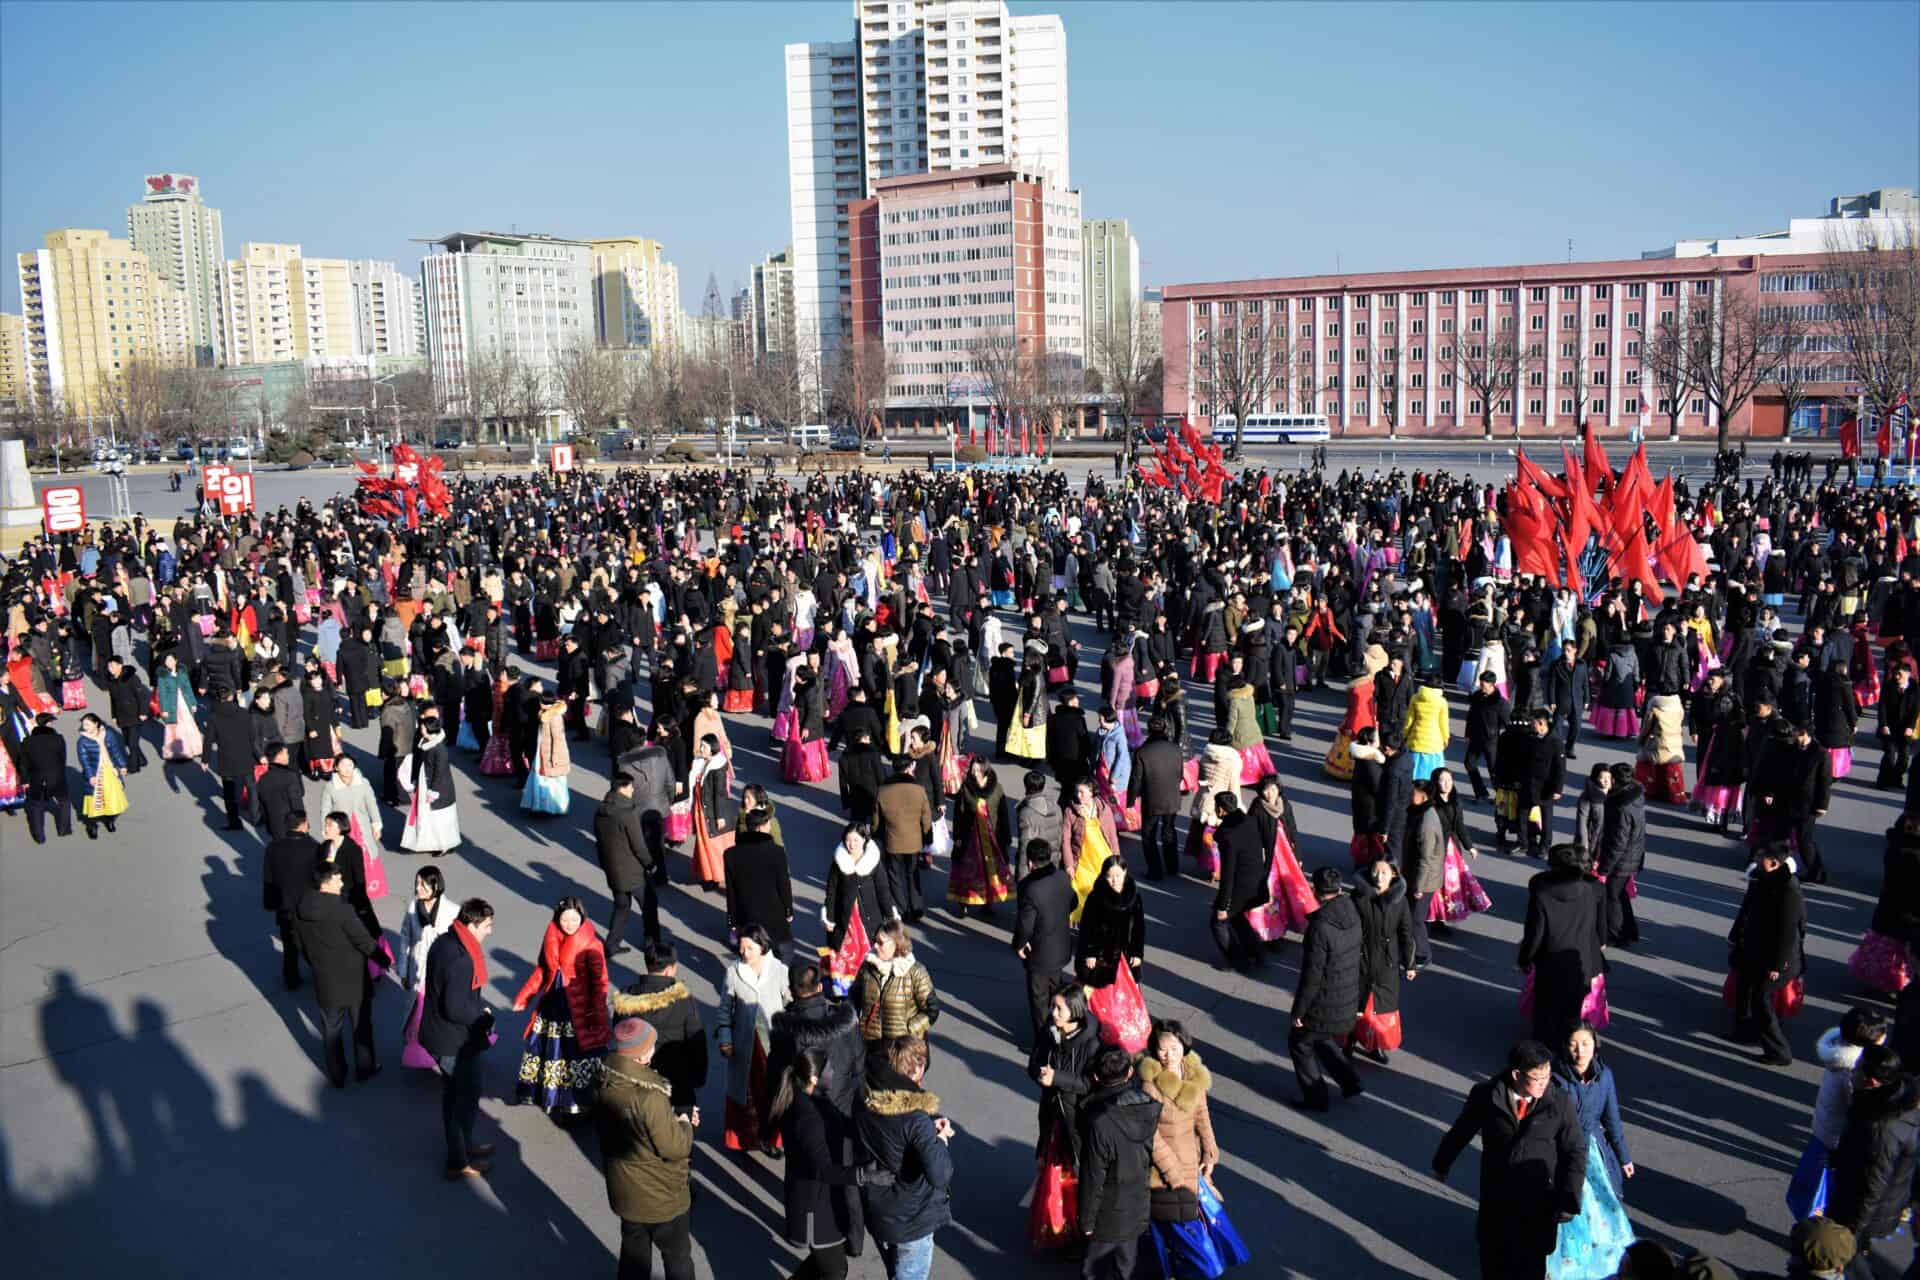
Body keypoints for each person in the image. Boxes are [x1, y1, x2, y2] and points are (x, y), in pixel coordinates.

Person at [1431, 1039, 1588, 1280]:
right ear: (1517, 1074)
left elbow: (1575, 1150)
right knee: (1494, 1264)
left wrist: (1569, 1198)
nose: (1545, 1083)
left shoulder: (1559, 1103)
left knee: (1530, 1267)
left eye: (1547, 1075)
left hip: (1539, 1202)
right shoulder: (1486, 1095)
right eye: (1538, 1077)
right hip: (1498, 1198)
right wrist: (1442, 1164)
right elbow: (1462, 1130)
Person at [1137, 1020, 1246, 1279]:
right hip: (1165, 1174)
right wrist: (1172, 1171)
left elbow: (1202, 1116)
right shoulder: (1150, 1085)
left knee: (1183, 1229)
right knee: (1184, 1231)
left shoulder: (1193, 1076)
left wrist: (1211, 1151)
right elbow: (1150, 1135)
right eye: (1162, 1049)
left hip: (1190, 1164)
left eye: (1174, 1048)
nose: (1168, 1055)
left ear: (1183, 1047)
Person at [594, 1015, 698, 1280]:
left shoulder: (604, 1080)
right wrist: (684, 1123)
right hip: (660, 1196)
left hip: (625, 1191)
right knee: (677, 1258)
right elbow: (674, 1148)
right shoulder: (649, 1096)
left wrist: (668, 1118)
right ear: (642, 1057)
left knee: (634, 1256)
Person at [769, 1044, 882, 1280]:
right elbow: (824, 1170)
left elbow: (842, 1125)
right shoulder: (807, 1117)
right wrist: (863, 1175)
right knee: (835, 1270)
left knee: (826, 1263)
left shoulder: (814, 1099)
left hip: (823, 1203)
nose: (833, 1072)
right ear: (813, 1078)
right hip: (814, 1209)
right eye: (829, 1068)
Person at [856, 1035, 954, 1280]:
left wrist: (926, 1134)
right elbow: (939, 1174)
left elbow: (894, 1139)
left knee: (895, 1271)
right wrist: (939, 1139)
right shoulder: (915, 1118)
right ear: (916, 1070)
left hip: (877, 1206)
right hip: (911, 1217)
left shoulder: (868, 1098)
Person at [1546, 1021, 1634, 1280]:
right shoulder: (1554, 1078)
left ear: (1595, 1044)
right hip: (1563, 1152)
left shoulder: (1604, 1076)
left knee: (1603, 1210)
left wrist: (1624, 1156)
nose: (1580, 1050)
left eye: (1585, 1043)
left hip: (1594, 1153)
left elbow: (1612, 1120)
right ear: (1565, 1046)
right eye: (1574, 1044)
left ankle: (1606, 1267)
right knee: (1570, 1215)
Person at [1823, 1043, 1919, 1279]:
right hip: (1878, 1202)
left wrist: (1850, 1232)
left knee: (1850, 1255)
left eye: (1857, 1070)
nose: (1852, 1073)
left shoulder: (1881, 1128)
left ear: (1872, 1081)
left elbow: (1872, 1188)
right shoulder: (1893, 1101)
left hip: (1864, 1209)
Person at [511, 896, 611, 1119]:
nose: (569, 924)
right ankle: (546, 1094)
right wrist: (525, 995)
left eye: (574, 919)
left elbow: (600, 981)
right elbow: (542, 971)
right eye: (565, 919)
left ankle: (575, 1101)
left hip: (578, 1007)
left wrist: (597, 1008)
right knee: (547, 1049)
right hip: (552, 1004)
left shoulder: (592, 944)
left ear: (582, 918)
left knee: (573, 1054)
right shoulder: (550, 939)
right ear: (557, 918)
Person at [420, 898, 498, 1180]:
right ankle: (458, 1160)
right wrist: (483, 1016)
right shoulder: (462, 959)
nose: (490, 931)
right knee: (462, 1099)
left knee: (457, 1095)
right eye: (487, 925)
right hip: (452, 1041)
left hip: (439, 1035)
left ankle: (465, 1145)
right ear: (472, 924)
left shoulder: (446, 941)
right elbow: (455, 1008)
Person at [1028, 983, 1105, 1251]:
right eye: (1053, 1006)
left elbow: (1091, 1084)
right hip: (1052, 1114)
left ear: (1075, 1011)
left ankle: (1079, 1232)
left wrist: (1057, 1078)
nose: (1053, 1012)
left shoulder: (1092, 1042)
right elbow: (1033, 1063)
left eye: (1059, 1007)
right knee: (1052, 1172)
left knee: (1077, 1175)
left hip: (1077, 1119)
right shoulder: (1048, 1032)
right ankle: (1056, 1227)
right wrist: (1040, 1073)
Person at [1075, 1046, 1162, 1280]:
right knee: (1126, 1266)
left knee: (1092, 1270)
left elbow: (1093, 1176)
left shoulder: (1099, 1122)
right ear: (1130, 1072)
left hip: (1107, 1212)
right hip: (1137, 1203)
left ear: (1096, 1077)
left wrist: (1086, 1220)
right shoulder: (1149, 1107)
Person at [293, 862, 383, 1087]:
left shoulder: (300, 908)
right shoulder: (342, 910)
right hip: (354, 981)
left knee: (331, 1031)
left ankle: (338, 1075)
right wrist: (385, 960)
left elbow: (298, 942)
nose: (342, 883)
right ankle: (365, 1069)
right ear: (325, 883)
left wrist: (315, 963)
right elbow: (363, 941)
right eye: (338, 879)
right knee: (361, 1026)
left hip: (325, 981)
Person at [1288, 865, 1366, 1112]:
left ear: (1315, 891)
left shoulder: (1319, 927)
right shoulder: (1352, 912)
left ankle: (1316, 1097)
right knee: (1321, 1038)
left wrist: (1298, 1011)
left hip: (1324, 1001)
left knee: (1299, 1042)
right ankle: (1350, 1081)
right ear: (1339, 889)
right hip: (1346, 996)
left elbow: (1312, 976)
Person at [1517, 844, 1608, 1045]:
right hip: (1579, 963)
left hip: (1549, 965)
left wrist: (1525, 958)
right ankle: (1566, 1051)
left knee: (1545, 1014)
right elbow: (1595, 928)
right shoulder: (1589, 891)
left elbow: (1534, 934)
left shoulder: (1541, 894)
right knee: (1572, 1014)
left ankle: (1544, 1052)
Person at [1728, 841, 1808, 1067]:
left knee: (1761, 998)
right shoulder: (1760, 879)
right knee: (1743, 986)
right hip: (1752, 948)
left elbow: (1788, 933)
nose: (1756, 859)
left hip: (1775, 957)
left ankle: (1778, 1050)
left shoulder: (1789, 890)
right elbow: (1746, 911)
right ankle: (1742, 1031)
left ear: (1774, 863)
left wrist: (1777, 965)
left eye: (1760, 856)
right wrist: (1734, 937)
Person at [720, 925, 791, 1154]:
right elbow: (724, 1010)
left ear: (762, 946)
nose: (745, 953)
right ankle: (750, 1138)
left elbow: (790, 1003)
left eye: (750, 948)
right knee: (749, 1094)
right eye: (741, 948)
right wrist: (725, 1038)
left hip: (773, 1044)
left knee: (774, 1094)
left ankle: (773, 1139)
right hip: (745, 1045)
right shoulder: (733, 973)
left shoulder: (780, 970)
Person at [614, 942, 709, 1115]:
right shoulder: (684, 1000)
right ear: (670, 969)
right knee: (679, 1134)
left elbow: (619, 1038)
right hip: (678, 1081)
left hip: (638, 1079)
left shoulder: (626, 998)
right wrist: (697, 1077)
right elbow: (697, 1041)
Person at [1348, 858, 1416, 1067]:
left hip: (1387, 963)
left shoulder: (1400, 901)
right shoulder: (1358, 896)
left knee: (1380, 1008)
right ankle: (1348, 1041)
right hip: (1360, 958)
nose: (1379, 877)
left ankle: (1375, 1044)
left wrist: (1410, 964)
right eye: (1375, 872)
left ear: (1393, 875)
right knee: (1355, 1003)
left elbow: (1406, 934)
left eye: (1384, 873)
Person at [1014, 838, 1076, 1047]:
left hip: (1039, 953)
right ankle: (1060, 1029)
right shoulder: (1061, 877)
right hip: (1061, 947)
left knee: (1039, 999)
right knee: (1056, 991)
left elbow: (1025, 925)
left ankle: (1044, 1041)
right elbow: (1073, 901)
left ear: (1030, 862)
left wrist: (1019, 944)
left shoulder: (1028, 887)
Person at [396, 865, 458, 1072]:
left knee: (440, 1015)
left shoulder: (452, 911)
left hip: (441, 974)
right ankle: (422, 1053)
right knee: (418, 1016)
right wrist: (403, 969)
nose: (418, 888)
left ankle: (443, 1056)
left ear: (436, 885)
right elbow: (405, 936)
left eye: (423, 884)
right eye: (416, 883)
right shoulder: (414, 906)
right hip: (418, 970)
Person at [823, 823, 896, 998]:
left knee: (867, 952)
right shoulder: (838, 862)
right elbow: (831, 892)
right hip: (845, 918)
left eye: (856, 839)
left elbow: (883, 890)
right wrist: (829, 918)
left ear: (864, 840)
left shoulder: (873, 862)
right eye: (848, 840)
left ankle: (867, 987)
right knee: (843, 953)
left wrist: (891, 916)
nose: (852, 844)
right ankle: (843, 989)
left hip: (869, 918)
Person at [854, 919, 940, 1047]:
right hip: (870, 1045)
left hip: (901, 1049)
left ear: (896, 944)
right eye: (875, 941)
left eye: (880, 943)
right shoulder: (868, 966)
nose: (875, 946)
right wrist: (852, 1020)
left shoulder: (915, 972)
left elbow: (931, 1010)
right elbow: (854, 995)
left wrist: (910, 1030)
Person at [1211, 792, 1270, 972]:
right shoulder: (1249, 821)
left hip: (1240, 887)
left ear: (1221, 810)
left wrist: (1223, 905)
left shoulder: (1229, 837)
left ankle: (1239, 961)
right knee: (1238, 919)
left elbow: (1228, 875)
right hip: (1256, 883)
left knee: (1218, 922)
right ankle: (1257, 953)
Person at [875, 754, 933, 923]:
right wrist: (927, 837)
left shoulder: (883, 791)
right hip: (914, 842)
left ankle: (900, 907)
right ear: (908, 769)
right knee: (912, 874)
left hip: (892, 840)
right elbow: (926, 817)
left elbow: (876, 820)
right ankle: (916, 908)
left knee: (894, 875)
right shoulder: (919, 790)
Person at [1128, 716, 1185, 881]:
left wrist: (1131, 801)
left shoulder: (1142, 752)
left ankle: (1155, 870)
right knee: (1169, 830)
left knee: (1148, 834)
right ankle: (1172, 866)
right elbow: (1180, 774)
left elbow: (1136, 779)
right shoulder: (1175, 749)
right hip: (1172, 797)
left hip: (1151, 799)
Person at [399, 714, 461, 856]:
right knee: (429, 816)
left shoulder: (438, 749)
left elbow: (440, 772)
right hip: (427, 783)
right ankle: (433, 842)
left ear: (428, 730)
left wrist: (433, 791)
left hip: (437, 789)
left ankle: (445, 844)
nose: (420, 729)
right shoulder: (427, 744)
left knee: (439, 817)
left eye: (422, 727)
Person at [74, 713, 130, 839]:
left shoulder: (108, 735)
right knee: (95, 802)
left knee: (113, 798)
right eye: (83, 724)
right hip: (96, 773)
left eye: (88, 724)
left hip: (110, 771)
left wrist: (122, 766)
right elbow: (84, 761)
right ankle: (92, 826)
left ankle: (110, 820)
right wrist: (90, 776)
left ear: (96, 724)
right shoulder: (82, 741)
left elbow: (116, 752)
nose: (85, 727)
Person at [521, 693, 571, 814]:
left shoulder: (553, 718)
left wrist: (554, 758)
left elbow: (558, 740)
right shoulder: (547, 714)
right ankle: (543, 805)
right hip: (543, 751)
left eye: (541, 702)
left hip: (549, 755)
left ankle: (548, 806)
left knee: (548, 781)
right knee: (544, 779)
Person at [154, 650, 202, 763]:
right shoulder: (163, 676)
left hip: (184, 702)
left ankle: (193, 748)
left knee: (189, 725)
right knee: (176, 729)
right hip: (171, 705)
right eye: (167, 661)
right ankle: (178, 753)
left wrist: (193, 702)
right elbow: (162, 693)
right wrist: (164, 709)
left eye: (171, 660)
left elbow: (188, 688)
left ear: (176, 661)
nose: (169, 662)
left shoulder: (182, 672)